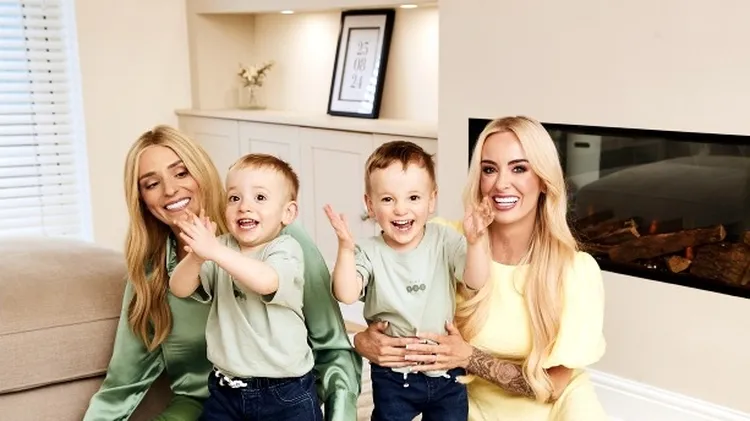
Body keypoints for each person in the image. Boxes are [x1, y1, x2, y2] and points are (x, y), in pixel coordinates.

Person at [83, 125, 361, 421]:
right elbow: (122, 382)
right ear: (142, 199)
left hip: (283, 393)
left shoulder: (280, 238)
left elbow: (332, 348)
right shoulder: (152, 271)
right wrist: (199, 255)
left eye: (181, 173)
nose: (170, 190)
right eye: (151, 184)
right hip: (211, 401)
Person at [352, 116, 608, 421]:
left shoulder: (575, 271)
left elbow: (554, 386)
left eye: (519, 168)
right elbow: (377, 285)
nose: (501, 183)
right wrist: (362, 341)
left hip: (555, 406)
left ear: (543, 180)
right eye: (489, 169)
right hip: (468, 404)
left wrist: (469, 357)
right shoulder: (442, 242)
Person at [324, 140, 494, 421]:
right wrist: (345, 249)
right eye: (388, 199)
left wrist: (476, 243)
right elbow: (346, 294)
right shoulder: (368, 251)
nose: (400, 209)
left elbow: (475, 281)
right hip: (393, 374)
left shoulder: (444, 239)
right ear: (370, 204)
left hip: (445, 370)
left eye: (413, 198)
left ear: (432, 200)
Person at [169, 153, 323, 421]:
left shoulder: (285, 248)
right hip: (226, 388)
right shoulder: (221, 247)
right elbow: (179, 288)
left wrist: (214, 251)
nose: (244, 207)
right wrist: (196, 257)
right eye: (234, 198)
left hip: (285, 390)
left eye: (260, 197)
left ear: (287, 213)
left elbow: (266, 281)